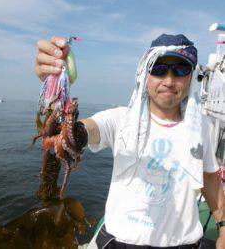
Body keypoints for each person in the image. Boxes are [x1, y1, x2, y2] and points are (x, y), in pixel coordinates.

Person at [35, 34, 225, 249]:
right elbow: (88, 129)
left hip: (184, 244)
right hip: (120, 243)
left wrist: (223, 226)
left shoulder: (202, 127)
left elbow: (209, 178)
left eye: (180, 70)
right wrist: (55, 89)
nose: (169, 80)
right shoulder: (120, 120)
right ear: (145, 74)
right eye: (159, 69)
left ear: (191, 77)